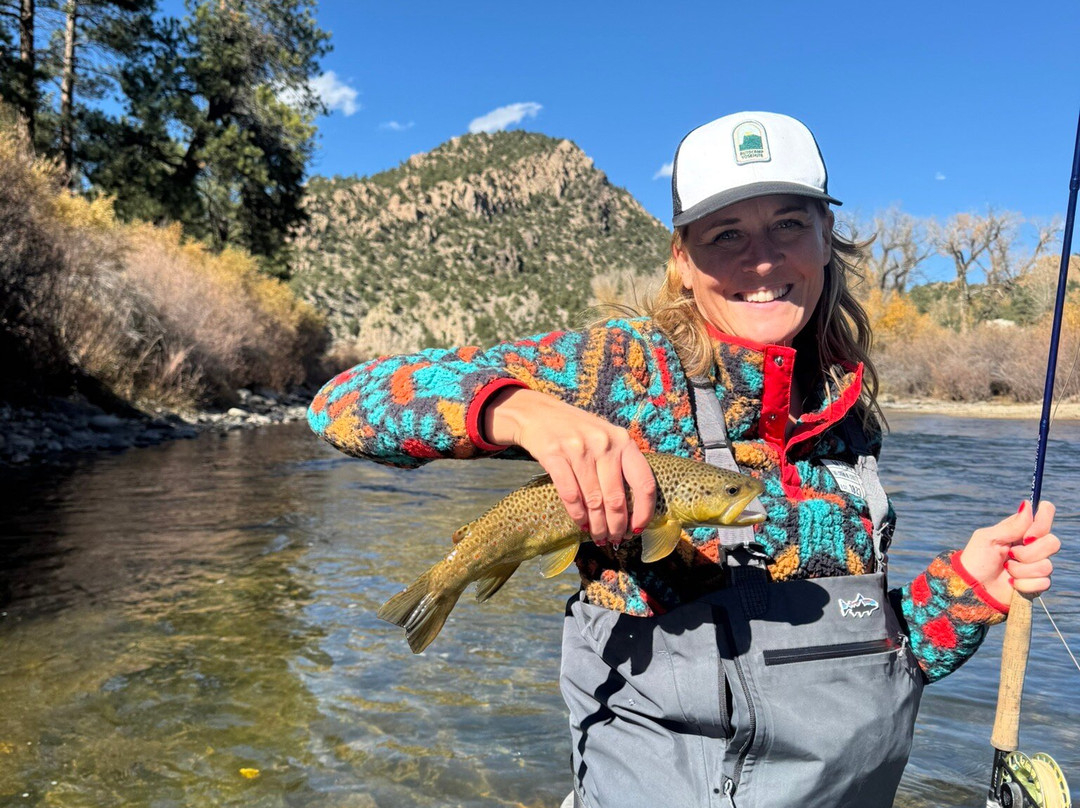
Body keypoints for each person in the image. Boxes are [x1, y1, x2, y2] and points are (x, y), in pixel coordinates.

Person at [307, 111, 1060, 808]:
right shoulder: (626, 368)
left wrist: (962, 594)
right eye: (725, 234)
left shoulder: (846, 413)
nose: (762, 260)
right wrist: (518, 410)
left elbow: (865, 659)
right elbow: (340, 404)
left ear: (827, 239)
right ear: (683, 257)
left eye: (789, 224)